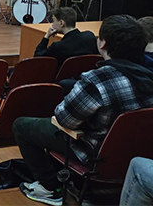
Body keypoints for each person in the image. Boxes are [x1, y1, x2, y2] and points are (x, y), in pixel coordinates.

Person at [13, 15, 153, 206]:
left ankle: (50, 188)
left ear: (103, 44)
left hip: (94, 154)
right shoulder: (148, 75)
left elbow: (64, 120)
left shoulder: (96, 80)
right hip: (135, 154)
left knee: (22, 126)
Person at [33, 7, 98, 68]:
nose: (52, 24)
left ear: (61, 23)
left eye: (53, 21)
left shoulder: (58, 46)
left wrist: (47, 36)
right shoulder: (90, 36)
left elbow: (37, 58)